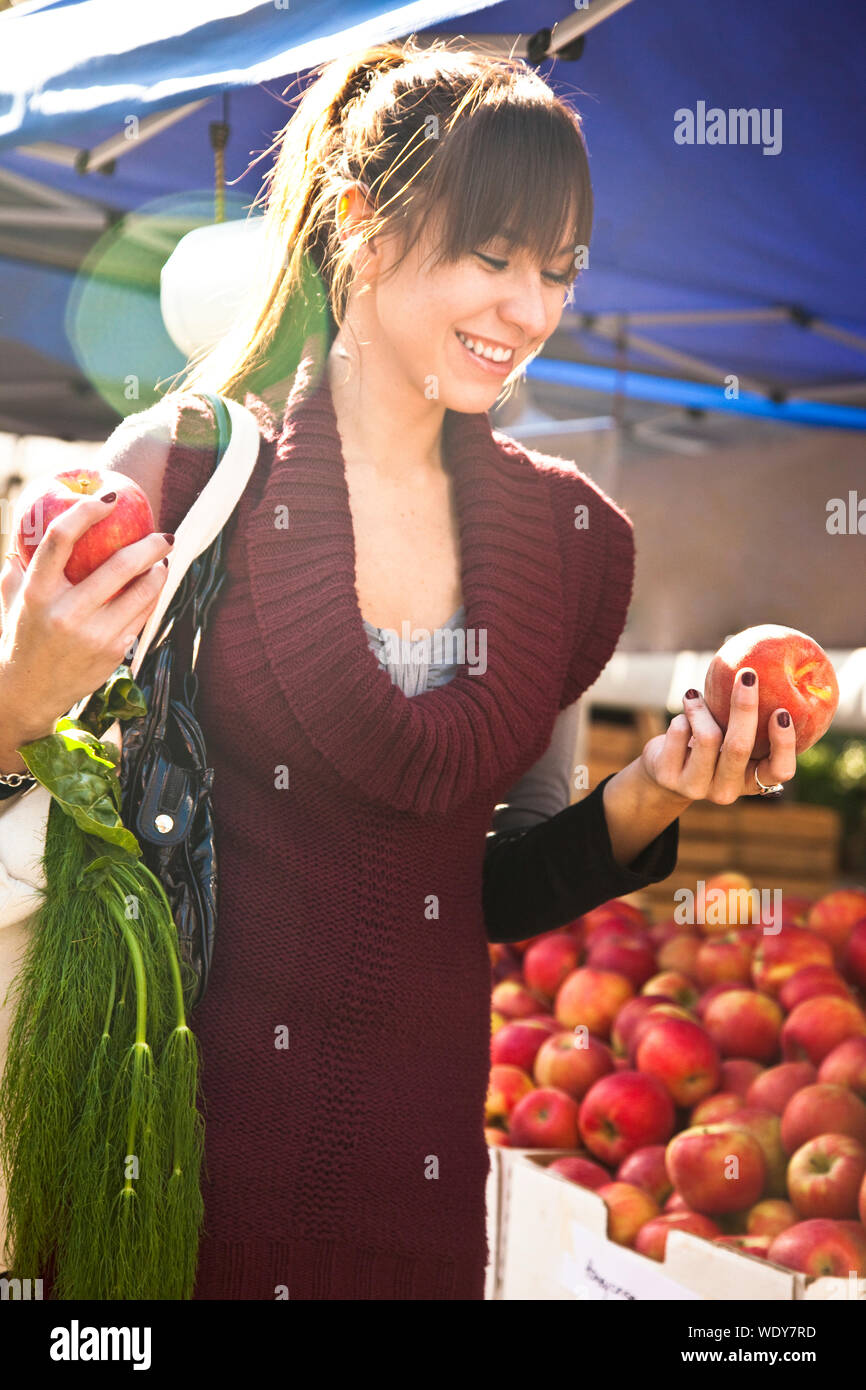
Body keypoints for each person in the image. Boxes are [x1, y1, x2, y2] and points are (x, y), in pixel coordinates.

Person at [0, 39, 797, 1299]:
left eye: (552, 270)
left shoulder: (569, 546)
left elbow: (492, 882)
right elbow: (47, 789)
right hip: (149, 1176)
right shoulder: (184, 477)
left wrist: (659, 787)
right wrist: (13, 696)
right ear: (362, 230)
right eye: (489, 258)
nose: (527, 312)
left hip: (408, 1207)